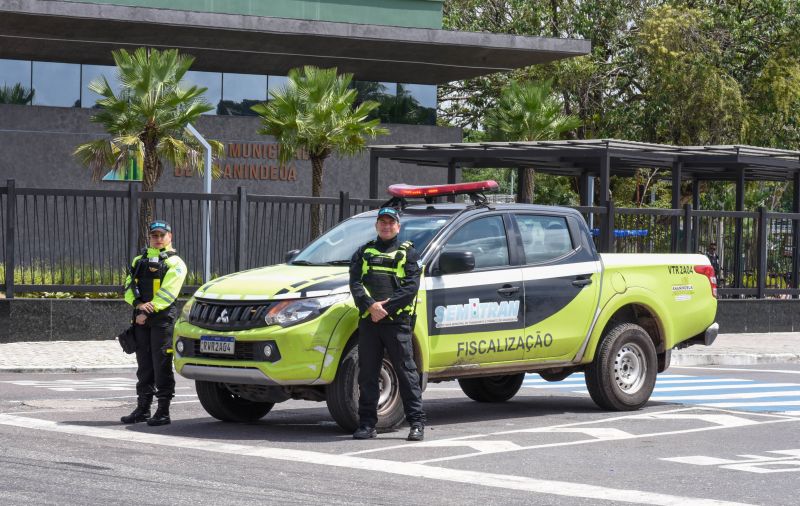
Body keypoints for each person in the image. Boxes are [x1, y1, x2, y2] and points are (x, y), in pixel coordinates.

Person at [349, 207, 426, 441]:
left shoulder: (408, 253)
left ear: (398, 227)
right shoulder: (364, 252)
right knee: (368, 375)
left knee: (407, 373)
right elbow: (355, 283)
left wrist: (384, 309)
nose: (386, 226)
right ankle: (367, 425)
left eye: (390, 222)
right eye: (382, 222)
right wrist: (370, 306)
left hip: (396, 323)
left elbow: (410, 288)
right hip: (369, 322)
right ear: (376, 226)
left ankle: (416, 424)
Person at [121, 220, 187, 426]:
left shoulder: (175, 263)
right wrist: (138, 305)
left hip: (161, 319)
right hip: (141, 317)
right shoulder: (138, 260)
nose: (158, 239)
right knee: (144, 365)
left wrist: (145, 312)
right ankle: (143, 409)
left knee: (161, 365)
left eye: (162, 235)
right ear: (149, 237)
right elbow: (128, 287)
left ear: (170, 236)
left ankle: (163, 411)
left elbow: (167, 294)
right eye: (154, 235)